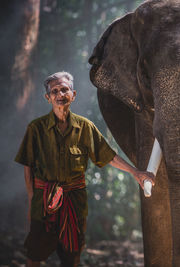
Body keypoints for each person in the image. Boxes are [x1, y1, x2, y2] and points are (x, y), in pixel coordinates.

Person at [15, 71, 155, 267]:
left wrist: (136, 172)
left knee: (72, 254)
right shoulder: (36, 129)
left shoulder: (85, 127)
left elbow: (108, 156)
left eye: (64, 89)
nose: (60, 94)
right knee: (35, 253)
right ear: (48, 98)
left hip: (75, 199)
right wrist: (32, 201)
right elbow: (28, 166)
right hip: (43, 201)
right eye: (54, 91)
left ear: (73, 94)